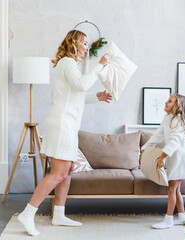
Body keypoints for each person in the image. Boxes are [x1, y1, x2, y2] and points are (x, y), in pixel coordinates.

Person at [17, 29, 112, 236]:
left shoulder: (71, 65)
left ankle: (59, 214)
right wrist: (100, 65)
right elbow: (81, 85)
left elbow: (76, 94)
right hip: (61, 124)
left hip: (68, 125)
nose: (87, 47)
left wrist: (98, 96)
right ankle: (28, 213)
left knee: (68, 169)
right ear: (75, 43)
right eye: (85, 43)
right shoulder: (67, 63)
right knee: (58, 172)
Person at [140, 94, 185, 229]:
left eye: (170, 101)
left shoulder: (177, 121)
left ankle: (168, 219)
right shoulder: (168, 119)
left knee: (171, 189)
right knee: (175, 189)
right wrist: (145, 148)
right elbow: (157, 136)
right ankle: (182, 216)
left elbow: (174, 141)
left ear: (177, 106)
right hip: (174, 159)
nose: (166, 102)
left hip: (180, 160)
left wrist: (162, 157)